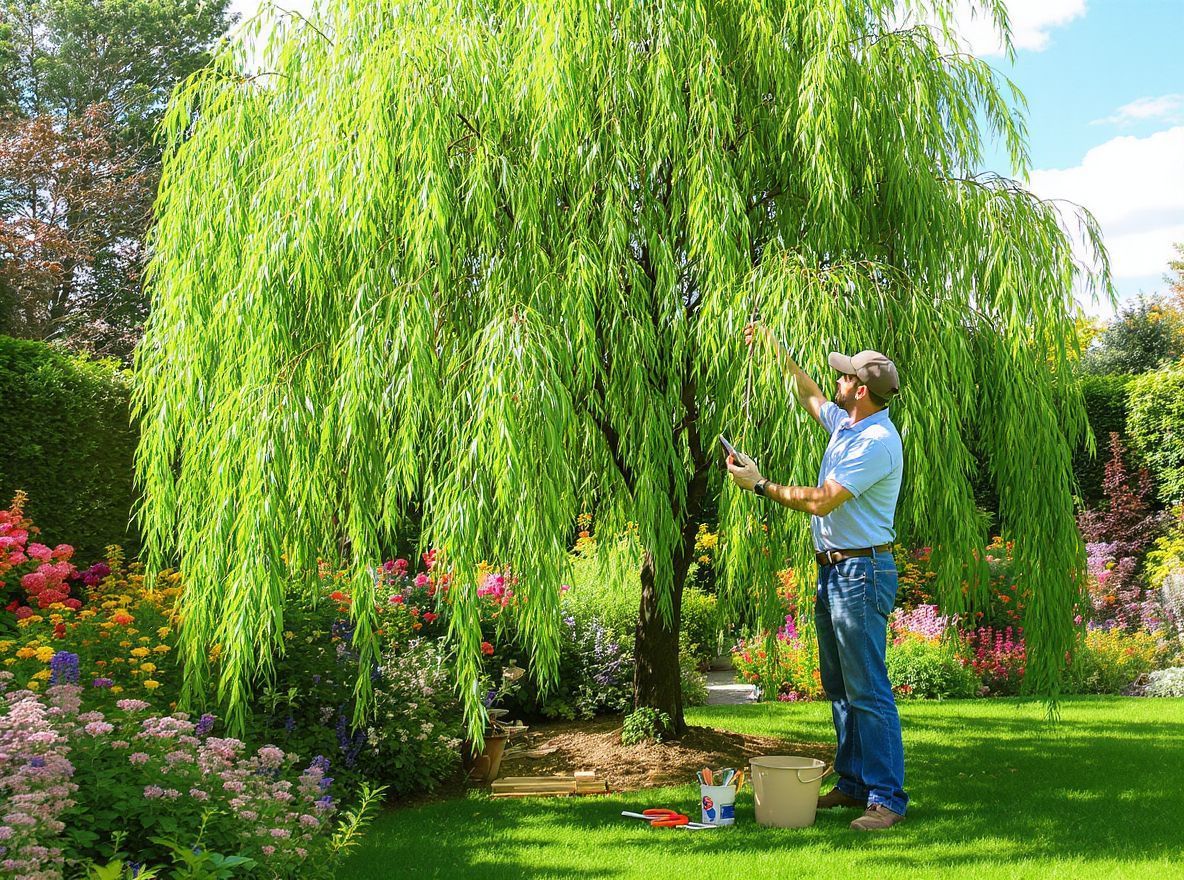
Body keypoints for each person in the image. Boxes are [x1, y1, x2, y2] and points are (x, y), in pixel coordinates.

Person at [726, 322, 907, 832]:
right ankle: (853, 784)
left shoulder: (873, 441)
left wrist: (761, 485)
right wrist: (773, 349)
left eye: (846, 376)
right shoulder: (848, 425)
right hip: (835, 570)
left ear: (861, 390)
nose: (837, 381)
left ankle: (887, 799)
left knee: (868, 688)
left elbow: (825, 499)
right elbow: (808, 392)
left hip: (860, 571)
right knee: (840, 686)